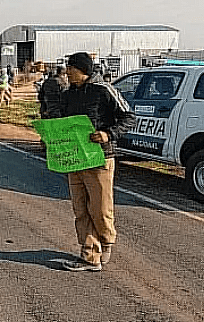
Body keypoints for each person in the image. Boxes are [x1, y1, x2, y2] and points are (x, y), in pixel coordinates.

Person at [54, 52, 135, 272]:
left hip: (100, 158)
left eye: (72, 68)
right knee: (80, 209)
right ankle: (90, 254)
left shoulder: (104, 90)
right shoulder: (69, 94)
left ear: (84, 70)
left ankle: (106, 241)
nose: (67, 72)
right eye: (68, 68)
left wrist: (108, 134)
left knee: (100, 209)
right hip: (75, 159)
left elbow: (129, 117)